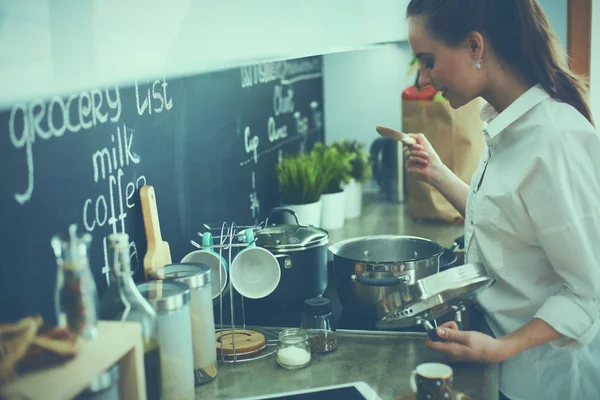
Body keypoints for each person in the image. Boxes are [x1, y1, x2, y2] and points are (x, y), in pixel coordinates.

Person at [378, 0, 600, 399]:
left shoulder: (555, 140)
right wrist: (438, 174)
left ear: (475, 47)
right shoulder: (506, 123)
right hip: (503, 371)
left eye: (428, 60)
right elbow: (505, 224)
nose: (424, 78)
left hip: (544, 382)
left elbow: (588, 293)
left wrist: (502, 348)